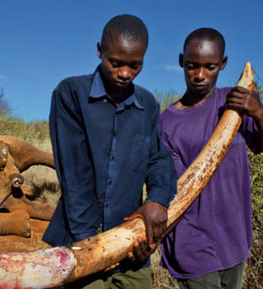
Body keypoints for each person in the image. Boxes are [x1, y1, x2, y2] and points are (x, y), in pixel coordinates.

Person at [43, 14, 177, 288]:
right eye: (115, 63)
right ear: (99, 50)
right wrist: (92, 247)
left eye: (135, 65)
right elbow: (74, 175)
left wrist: (158, 200)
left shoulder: (147, 103)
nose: (125, 73)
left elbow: (157, 158)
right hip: (80, 246)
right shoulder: (71, 94)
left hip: (133, 246)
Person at [158, 28, 263, 289]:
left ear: (223, 64)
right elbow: (173, 190)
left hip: (234, 241)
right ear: (182, 62)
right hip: (191, 246)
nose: (200, 75)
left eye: (210, 67)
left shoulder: (237, 103)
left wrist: (259, 113)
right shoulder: (167, 123)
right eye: (192, 66)